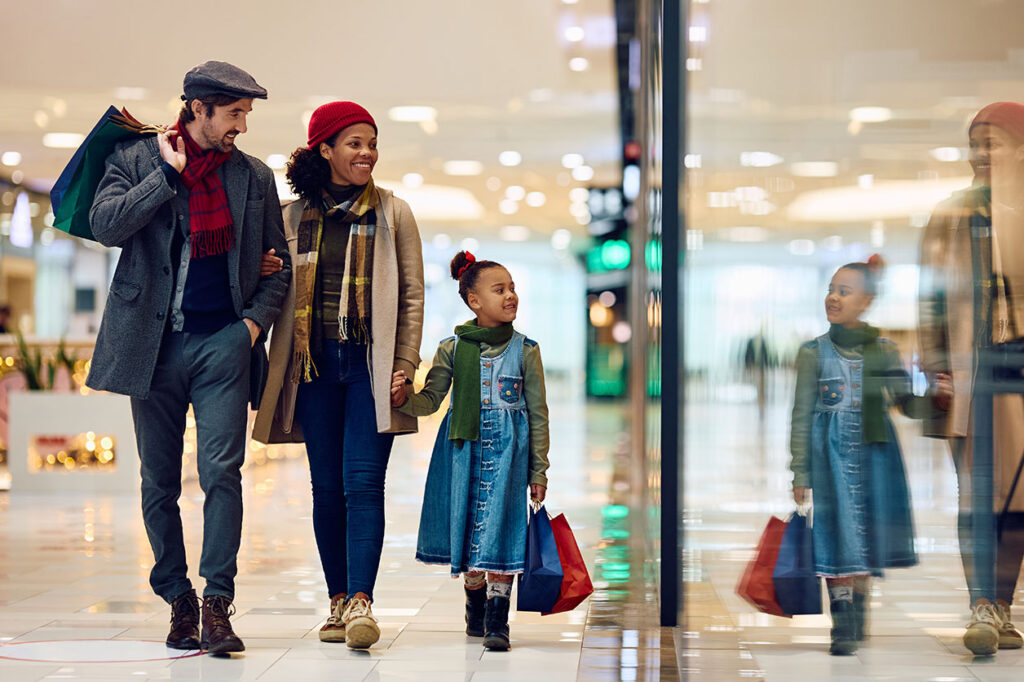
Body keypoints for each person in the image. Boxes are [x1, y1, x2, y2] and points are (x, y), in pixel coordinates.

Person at [86, 61, 290, 654]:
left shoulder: (252, 177)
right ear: (197, 109)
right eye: (233, 115)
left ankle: (218, 604)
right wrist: (166, 179)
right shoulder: (136, 160)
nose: (242, 128)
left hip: (222, 343)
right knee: (158, 481)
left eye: (246, 115)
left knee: (223, 474)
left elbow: (279, 264)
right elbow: (105, 226)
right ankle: (178, 600)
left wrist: (250, 328)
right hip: (150, 347)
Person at [251, 101, 424, 650]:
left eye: (371, 143)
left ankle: (361, 602)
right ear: (324, 149)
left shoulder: (393, 213)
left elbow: (413, 296)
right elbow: (265, 286)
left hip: (371, 369)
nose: (366, 152)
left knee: (363, 484)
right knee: (326, 489)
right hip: (311, 368)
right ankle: (335, 600)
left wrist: (405, 364)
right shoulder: (290, 217)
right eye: (353, 142)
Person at [790, 258, 951, 655]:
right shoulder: (812, 353)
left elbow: (904, 403)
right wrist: (799, 471)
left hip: (876, 459)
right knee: (834, 531)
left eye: (844, 291)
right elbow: (800, 415)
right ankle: (841, 617)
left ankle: (858, 602)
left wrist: (938, 400)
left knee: (864, 531)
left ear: (866, 302)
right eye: (831, 288)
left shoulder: (883, 350)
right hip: (830, 461)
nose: (833, 297)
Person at [392, 251, 550, 652]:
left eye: (513, 288)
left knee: (502, 529)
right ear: (474, 301)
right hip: (462, 455)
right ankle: (475, 602)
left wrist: (538, 471)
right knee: (469, 528)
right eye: (499, 290)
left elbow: (538, 415)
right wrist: (402, 398)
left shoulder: (526, 350)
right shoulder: (452, 348)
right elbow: (431, 400)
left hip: (509, 459)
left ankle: (499, 619)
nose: (511, 296)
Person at [919, 101, 1024, 656]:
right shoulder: (952, 214)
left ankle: (1002, 606)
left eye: (994, 141)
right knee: (977, 494)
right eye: (976, 141)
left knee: (1018, 496)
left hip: (1020, 371)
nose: (982, 153)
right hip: (968, 371)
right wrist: (937, 364)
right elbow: (932, 294)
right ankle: (982, 602)